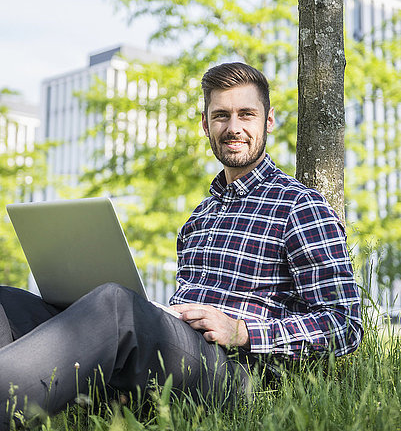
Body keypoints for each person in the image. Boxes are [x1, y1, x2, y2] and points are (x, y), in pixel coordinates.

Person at [0, 62, 363, 427]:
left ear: (268, 121)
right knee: (8, 301)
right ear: (205, 124)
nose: (233, 127)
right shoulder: (198, 218)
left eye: (246, 114)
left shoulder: (301, 207)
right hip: (178, 354)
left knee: (114, 305)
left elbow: (345, 325)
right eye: (220, 115)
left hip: (240, 377)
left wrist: (243, 331)